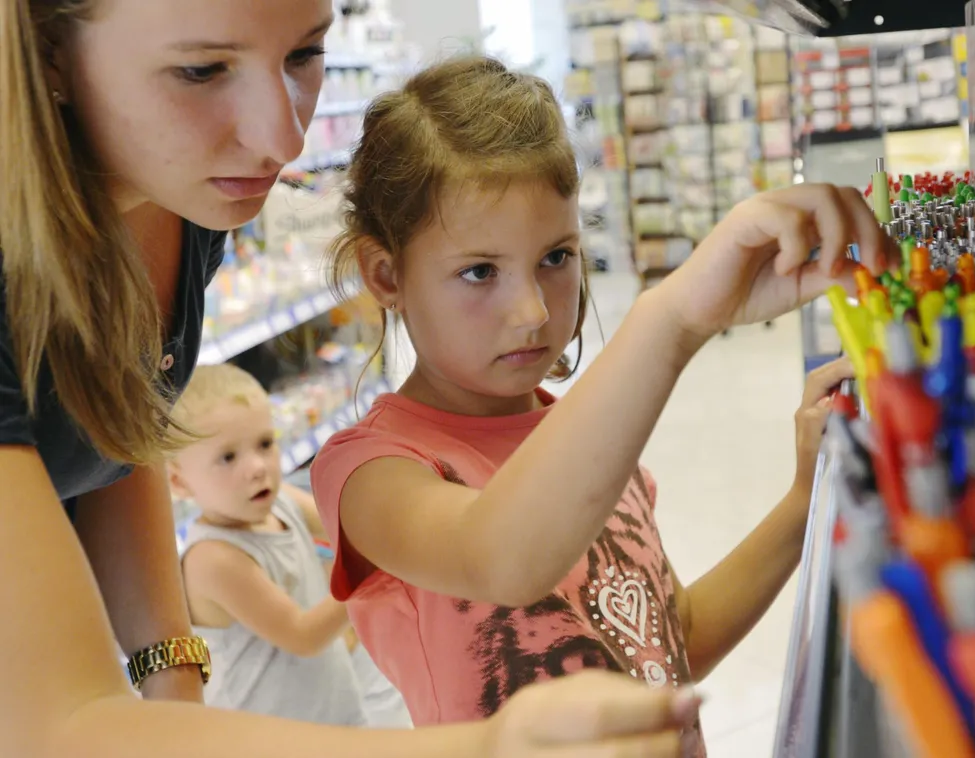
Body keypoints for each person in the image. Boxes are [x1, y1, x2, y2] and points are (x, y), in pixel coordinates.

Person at [0, 1, 732, 755]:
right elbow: (62, 725)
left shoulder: (185, 204)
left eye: (304, 55)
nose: (281, 138)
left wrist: (170, 669)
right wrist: (489, 746)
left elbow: (116, 422)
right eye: (201, 69)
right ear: (48, 52)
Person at [309, 55, 879, 754]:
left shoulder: (583, 438)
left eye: (556, 257)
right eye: (478, 272)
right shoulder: (372, 472)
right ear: (386, 273)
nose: (529, 312)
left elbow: (670, 643)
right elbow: (499, 556)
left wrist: (803, 499)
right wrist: (671, 320)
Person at [169, 363, 369, 726]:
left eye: (264, 443)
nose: (258, 467)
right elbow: (303, 635)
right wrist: (370, 568)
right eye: (228, 457)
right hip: (272, 733)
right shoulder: (213, 559)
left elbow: (350, 526)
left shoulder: (282, 502)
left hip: (329, 708)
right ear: (179, 483)